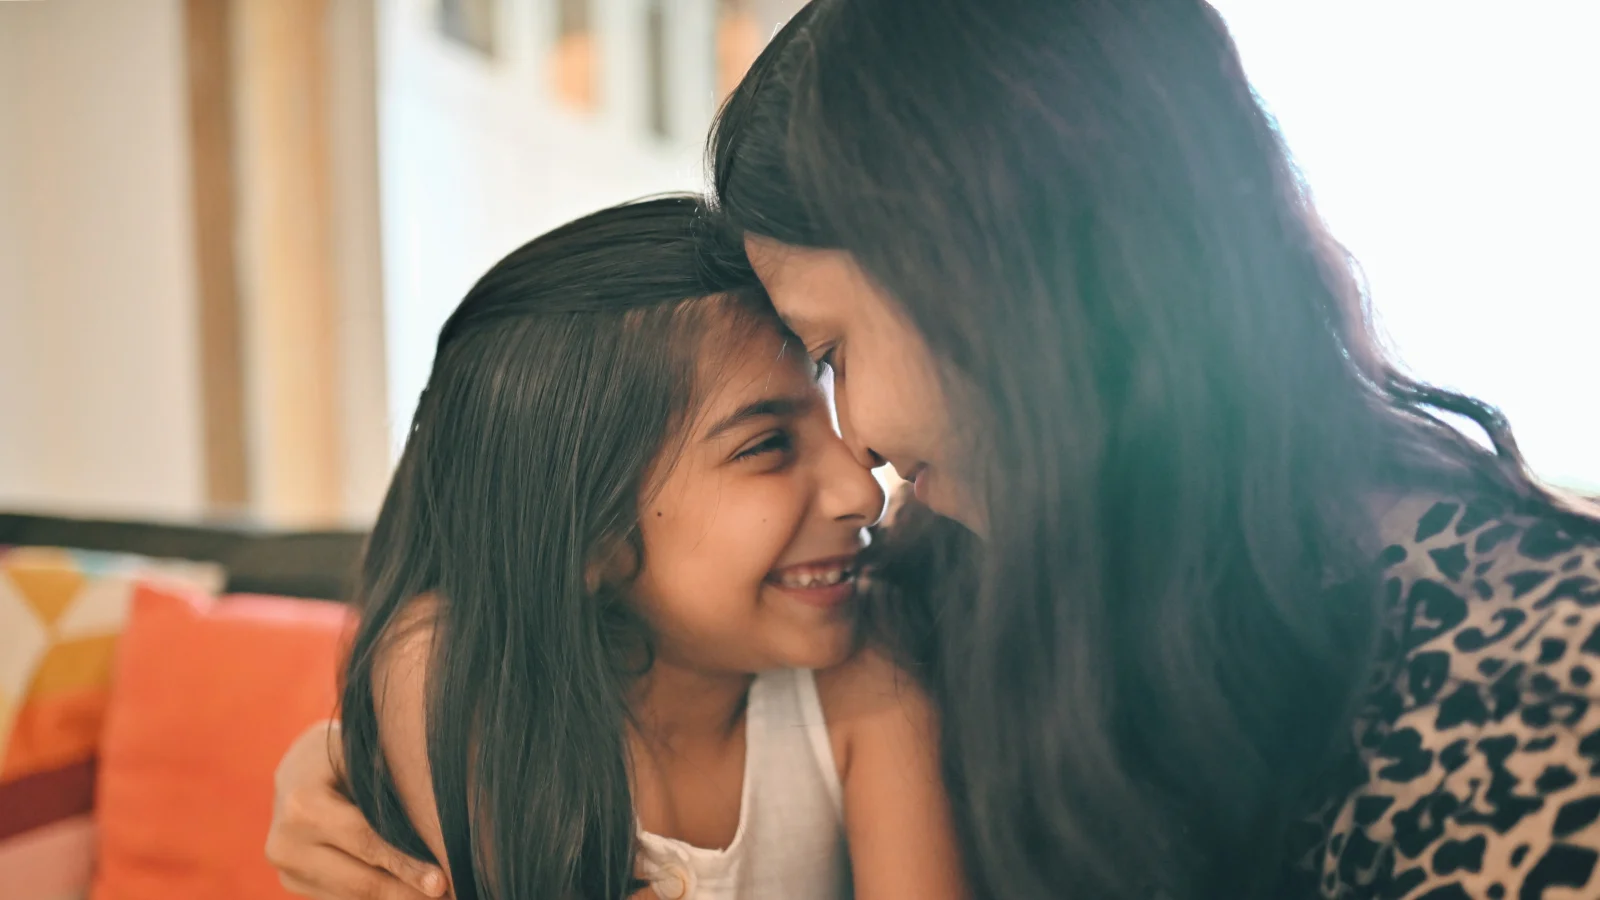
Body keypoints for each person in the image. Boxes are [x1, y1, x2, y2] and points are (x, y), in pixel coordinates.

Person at [270, 3, 1600, 899]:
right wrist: (356, 764)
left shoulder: (1546, 673)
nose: (866, 462)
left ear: (995, 289)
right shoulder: (963, 566)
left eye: (833, 356)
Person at [287, 195, 967, 900]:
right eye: (767, 445)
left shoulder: (868, 663)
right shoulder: (449, 669)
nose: (863, 489)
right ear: (589, 536)